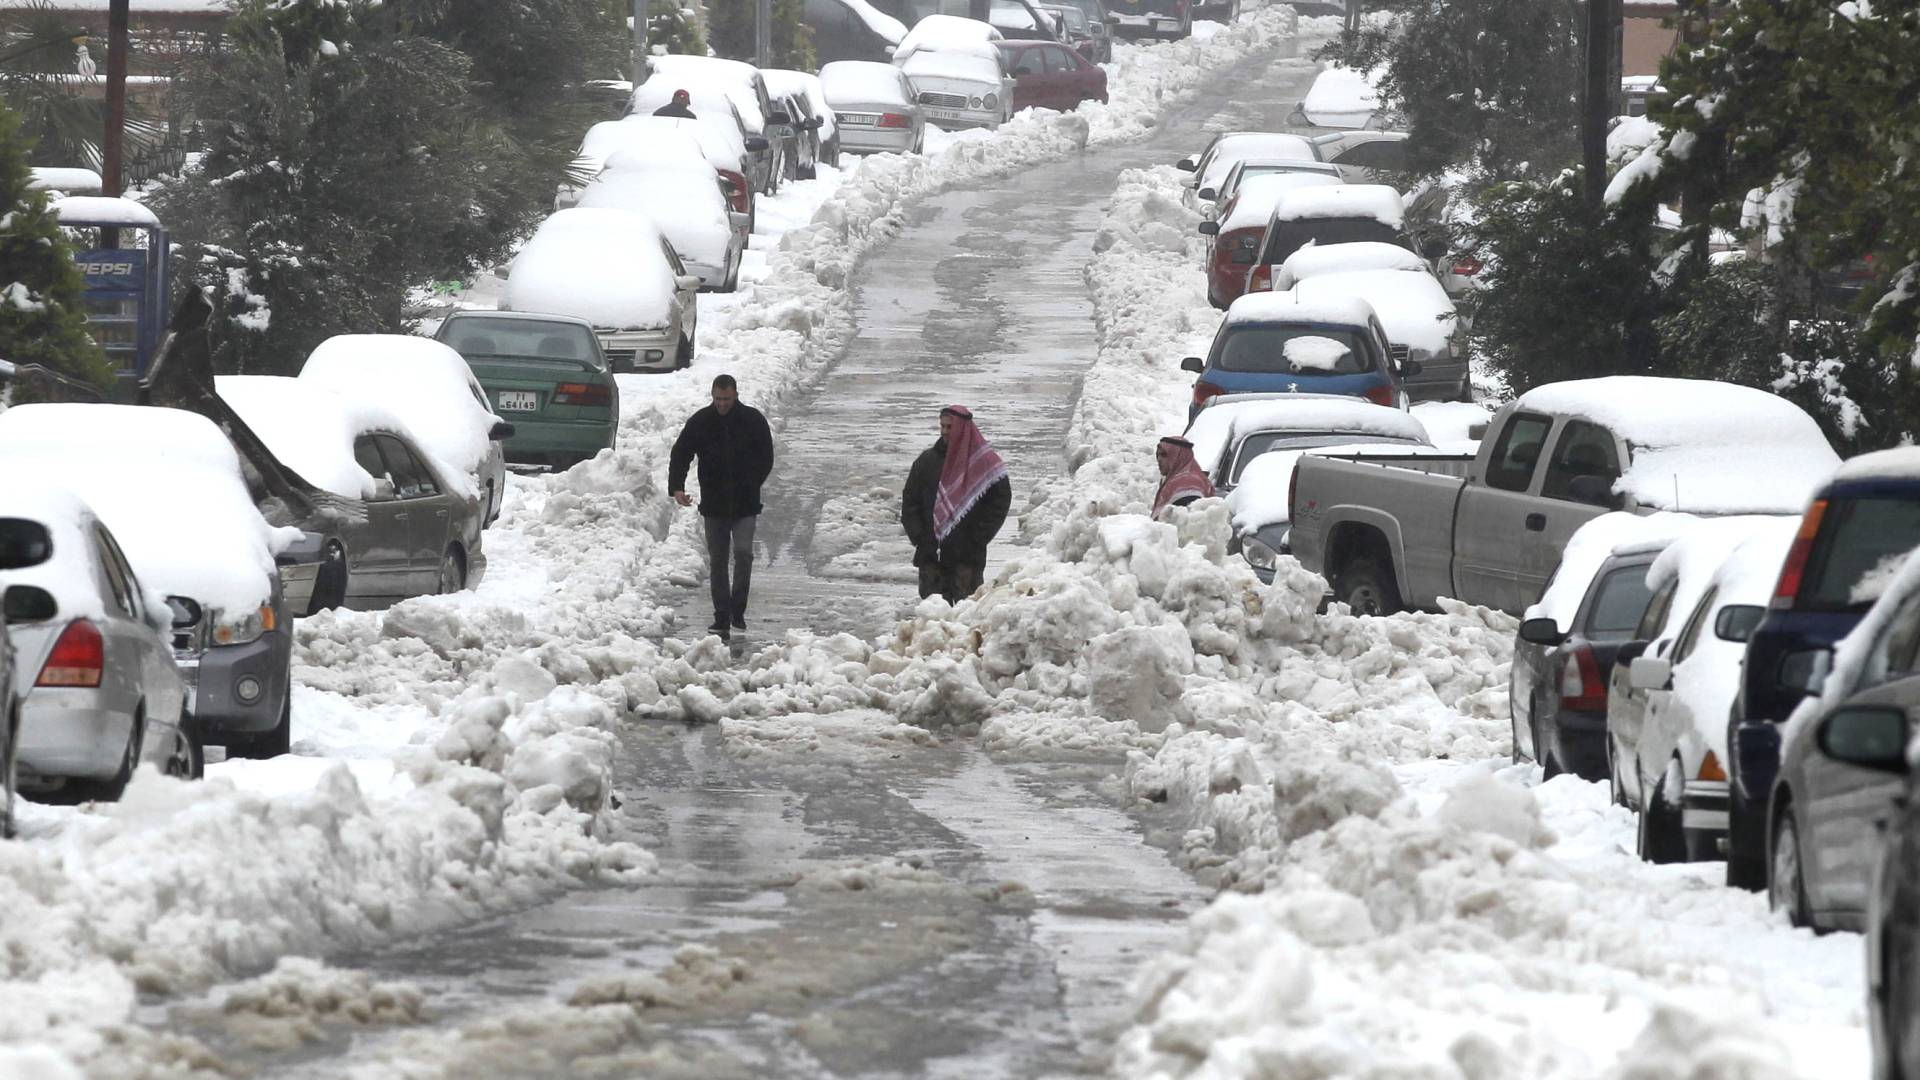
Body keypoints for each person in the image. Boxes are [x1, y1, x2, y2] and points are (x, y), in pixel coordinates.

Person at [668, 375, 774, 639]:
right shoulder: (701, 421)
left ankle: (738, 610)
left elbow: (766, 456)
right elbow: (681, 452)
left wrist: (752, 483)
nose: (722, 404)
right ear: (712, 396)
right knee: (717, 560)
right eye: (717, 399)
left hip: (745, 503)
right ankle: (721, 616)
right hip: (714, 504)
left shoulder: (752, 420)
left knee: (743, 554)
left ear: (735, 395)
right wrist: (677, 487)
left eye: (726, 399)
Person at [901, 405, 1011, 603]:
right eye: (942, 426)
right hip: (931, 555)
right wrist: (920, 537)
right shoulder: (927, 461)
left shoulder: (985, 464)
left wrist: (976, 539)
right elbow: (910, 501)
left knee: (965, 615)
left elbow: (999, 504)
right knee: (933, 618)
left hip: (967, 558)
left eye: (949, 427)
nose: (944, 431)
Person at [1151, 435, 1214, 518]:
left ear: (1178, 456)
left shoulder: (1188, 484)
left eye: (1164, 455)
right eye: (1157, 455)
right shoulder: (1173, 481)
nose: (1159, 459)